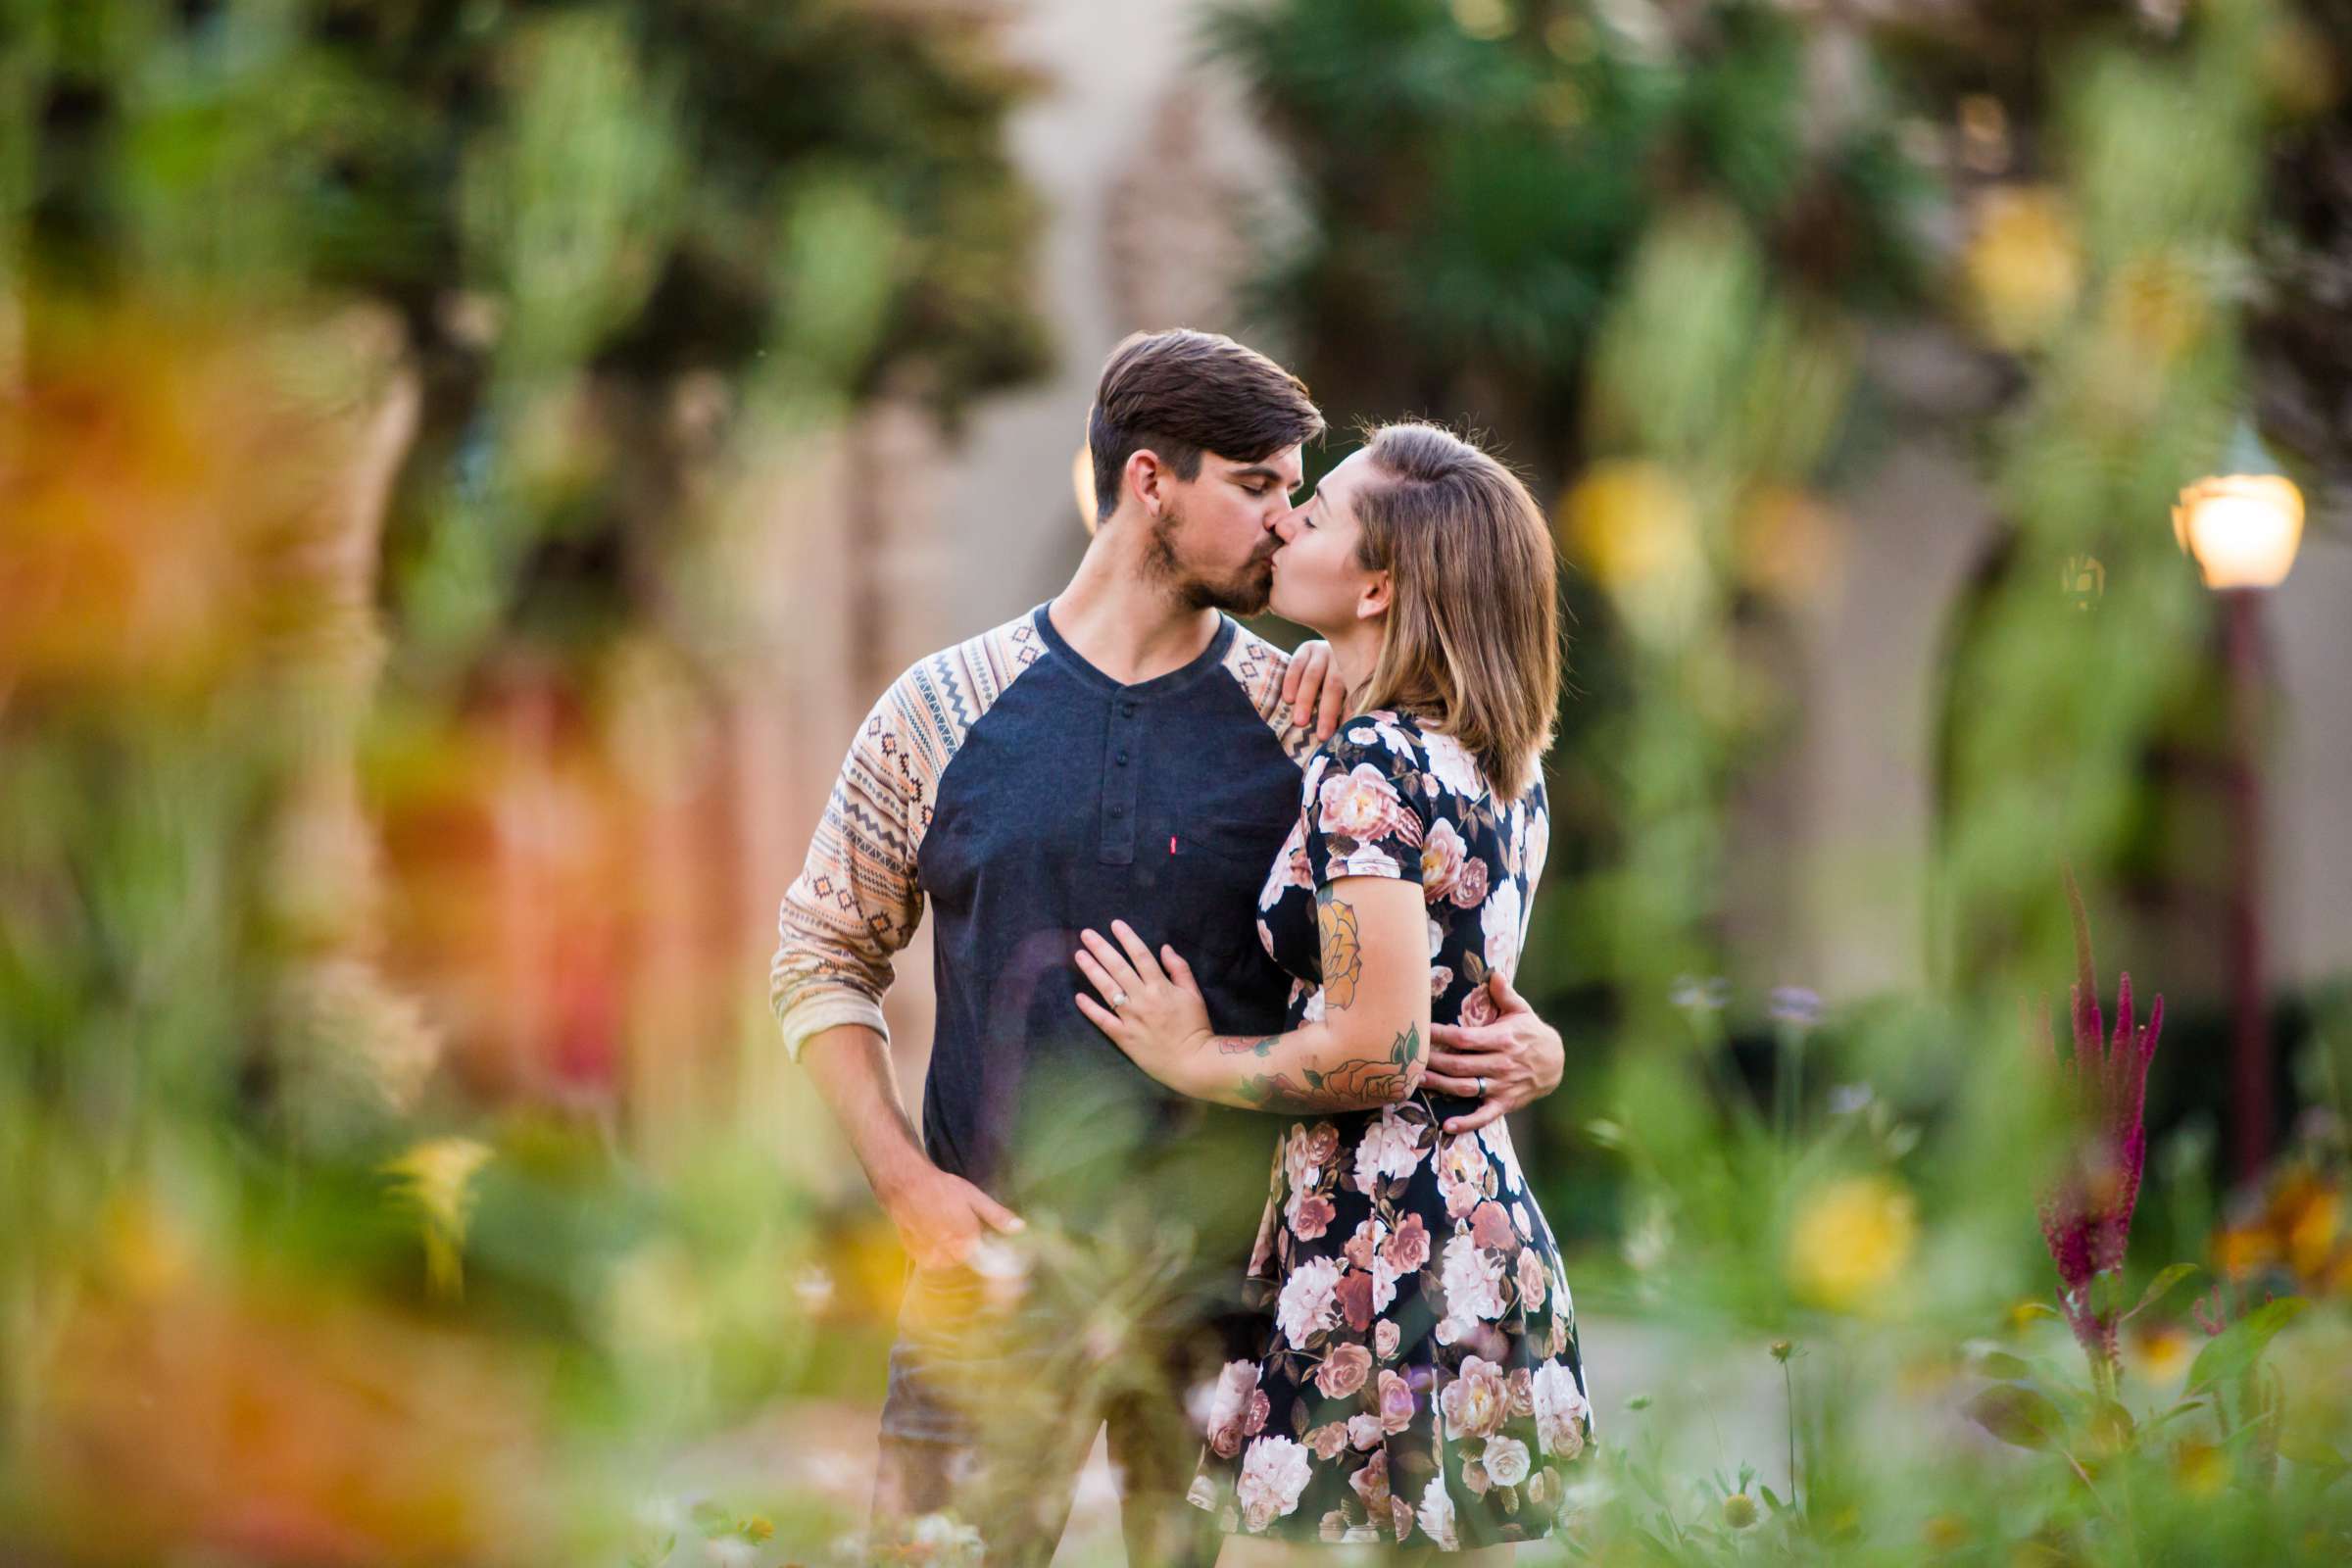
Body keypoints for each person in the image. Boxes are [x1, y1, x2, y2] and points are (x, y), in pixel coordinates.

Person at [770, 331, 1569, 1568]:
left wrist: (1536, 1046)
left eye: (1299, 492)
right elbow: (821, 954)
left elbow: (1439, 919)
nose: (1286, 519)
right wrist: (903, 1183)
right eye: (1257, 486)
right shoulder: (938, 709)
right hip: (991, 1284)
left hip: (1238, 1308)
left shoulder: (1311, 719)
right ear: (1151, 483)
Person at [1072, 422, 1594, 1560]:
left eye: (1322, 510)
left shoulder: (1373, 771)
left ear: (1379, 582)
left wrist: (1190, 1055)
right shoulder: (1494, 762)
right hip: (1472, 1231)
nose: (1289, 517)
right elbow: (1466, 992)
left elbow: (1380, 1049)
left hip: (1384, 1246)